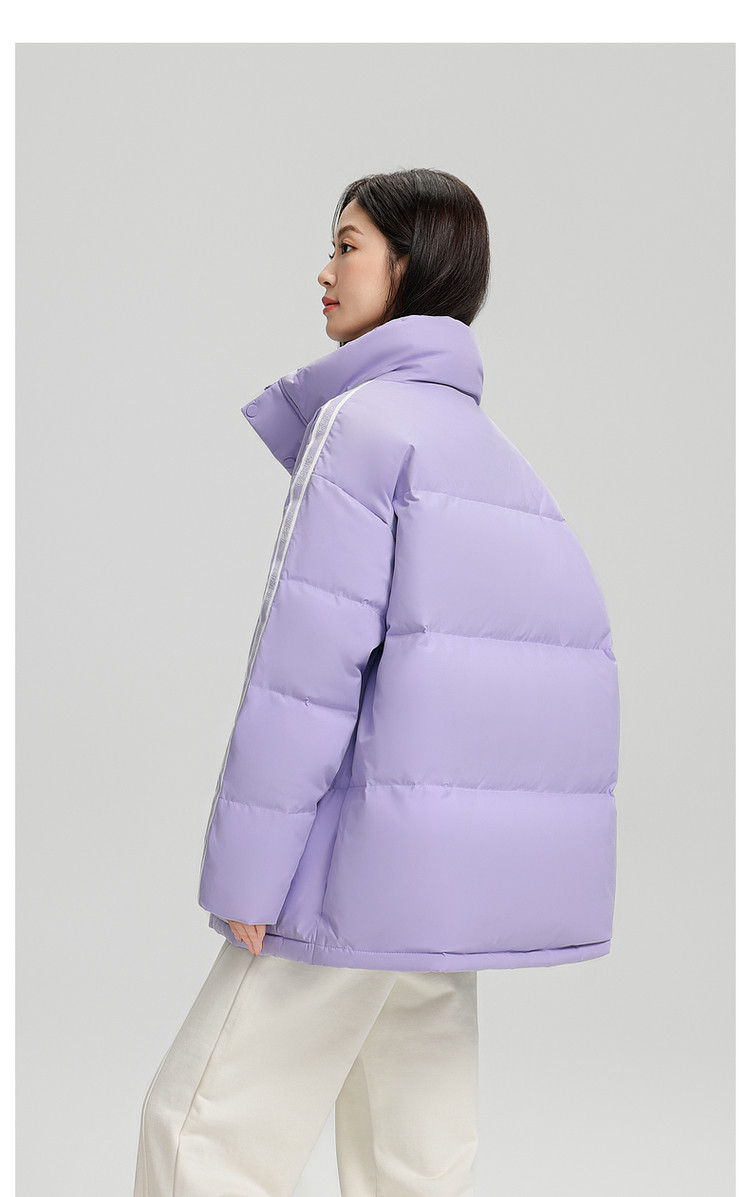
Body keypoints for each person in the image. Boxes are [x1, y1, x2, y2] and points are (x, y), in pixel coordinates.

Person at [133, 168, 620, 1197]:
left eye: (347, 245)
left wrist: (250, 874)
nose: (324, 270)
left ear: (411, 263)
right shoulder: (488, 449)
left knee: (201, 1129)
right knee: (416, 1157)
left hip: (351, 863)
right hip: (438, 887)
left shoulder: (363, 424)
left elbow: (307, 674)